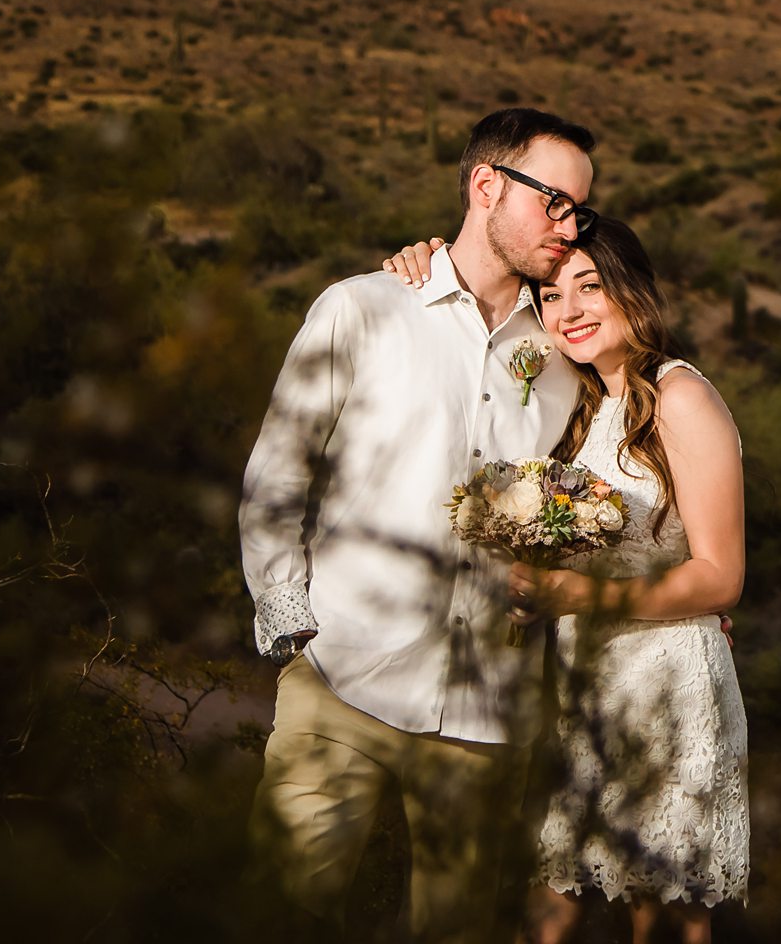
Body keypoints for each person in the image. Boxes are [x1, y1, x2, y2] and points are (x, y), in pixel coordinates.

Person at [239, 108, 597, 938]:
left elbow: (607, 487)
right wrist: (292, 624)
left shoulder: (563, 355)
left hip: (488, 715)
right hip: (343, 685)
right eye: (555, 202)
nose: (568, 226)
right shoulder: (362, 309)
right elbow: (277, 474)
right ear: (486, 185)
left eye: (581, 211)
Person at [384, 217, 748, 940]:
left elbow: (720, 576)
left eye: (590, 285)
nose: (569, 310)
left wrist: (589, 597)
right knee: (551, 898)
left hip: (667, 680)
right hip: (580, 679)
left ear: (632, 289)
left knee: (664, 914)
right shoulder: (574, 405)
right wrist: (420, 258)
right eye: (549, 295)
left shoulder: (679, 397)